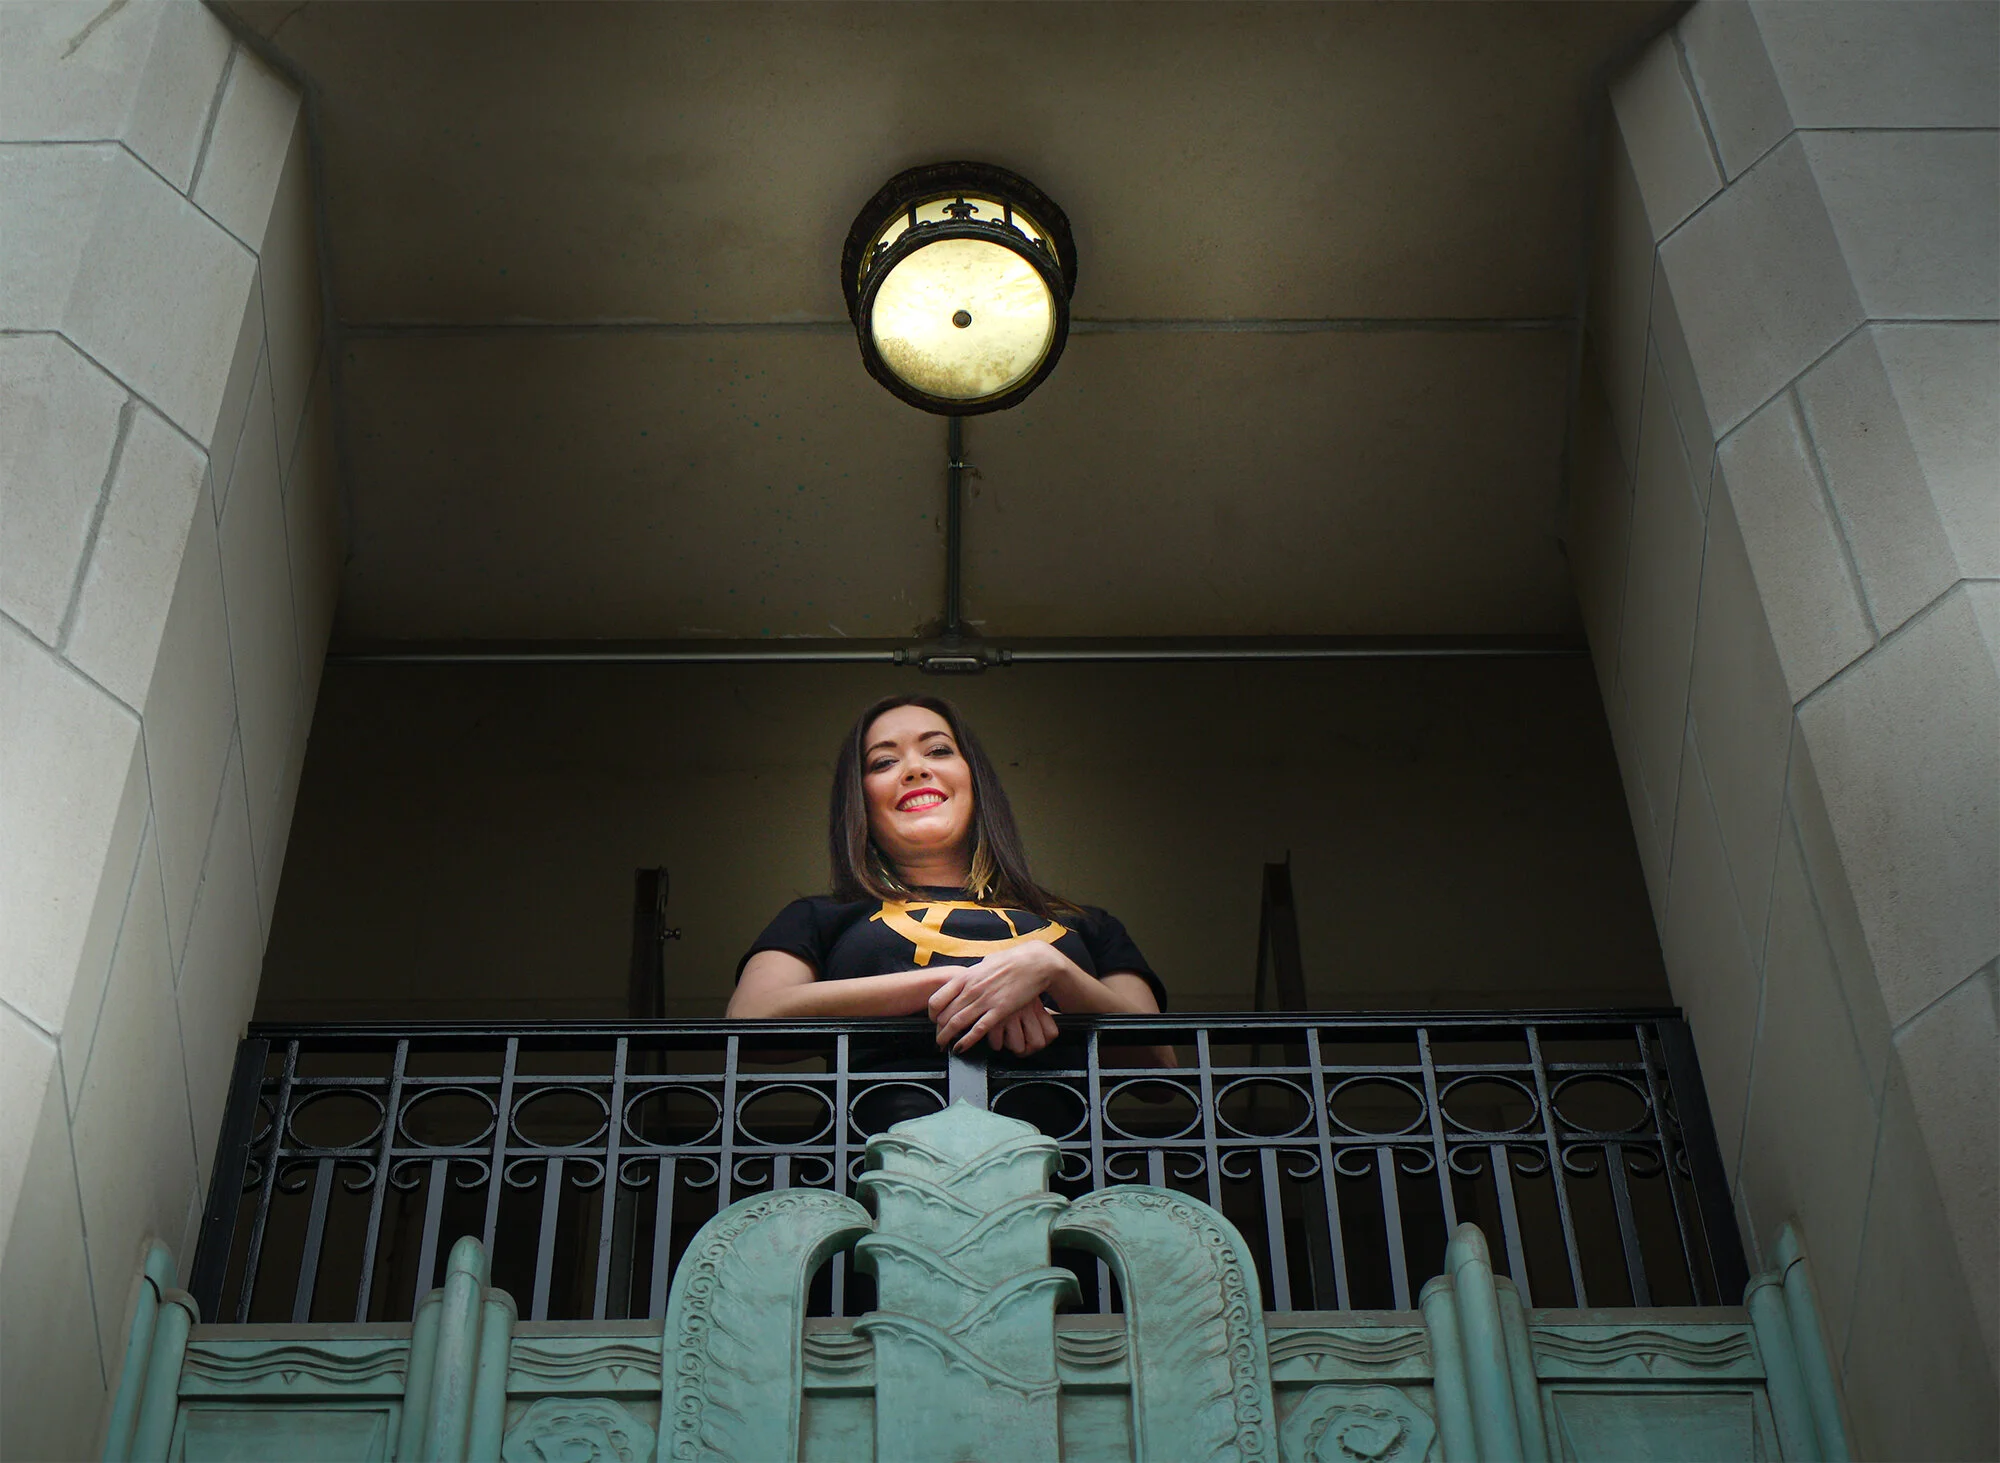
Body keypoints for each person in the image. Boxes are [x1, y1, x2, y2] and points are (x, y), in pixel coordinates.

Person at [728, 694, 1166, 1058]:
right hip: (876, 1154)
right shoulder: (818, 916)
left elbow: (1162, 1066)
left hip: (1061, 1158)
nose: (915, 769)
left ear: (974, 780)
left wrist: (1052, 970)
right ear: (859, 800)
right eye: (882, 762)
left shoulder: (1089, 923)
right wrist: (963, 982)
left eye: (938, 750)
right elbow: (748, 1026)